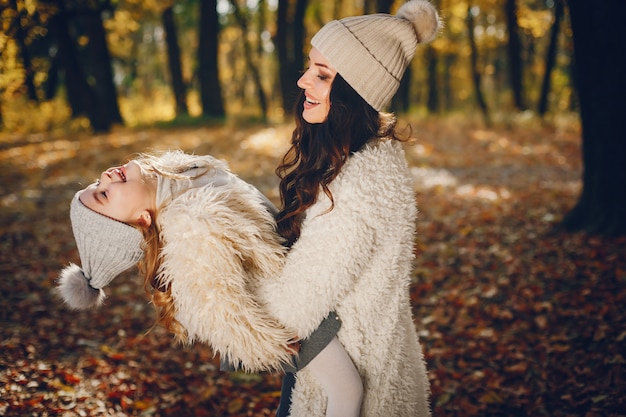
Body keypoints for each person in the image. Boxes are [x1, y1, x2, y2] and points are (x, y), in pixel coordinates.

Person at [56, 150, 363, 417]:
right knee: (346, 389)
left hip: (297, 275)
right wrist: (266, 342)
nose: (105, 178)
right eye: (104, 194)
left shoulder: (177, 176)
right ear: (141, 220)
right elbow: (216, 303)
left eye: (97, 184)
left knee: (305, 395)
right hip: (288, 308)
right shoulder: (190, 224)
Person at [259, 1, 441, 416]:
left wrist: (212, 267)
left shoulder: (361, 186)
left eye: (322, 75)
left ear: (353, 94)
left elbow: (293, 305)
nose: (304, 80)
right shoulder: (357, 154)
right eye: (310, 65)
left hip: (348, 384)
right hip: (331, 358)